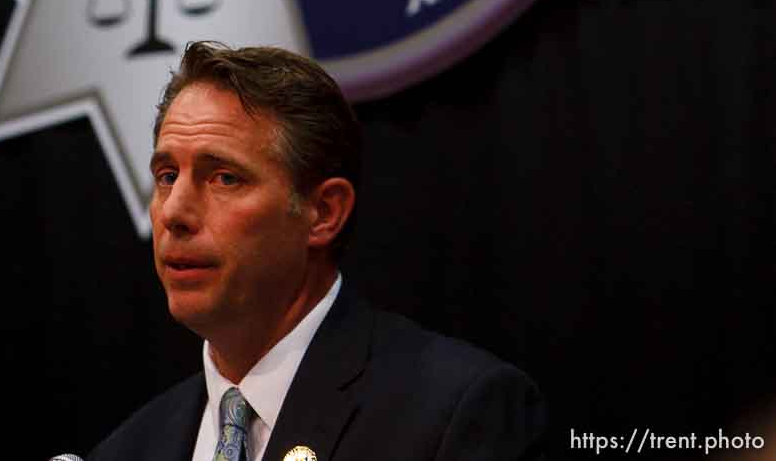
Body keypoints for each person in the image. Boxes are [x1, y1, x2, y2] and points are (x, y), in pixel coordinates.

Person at [89, 41, 547, 460]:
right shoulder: (128, 449)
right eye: (167, 176)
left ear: (323, 213)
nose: (174, 213)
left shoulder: (455, 413)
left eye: (224, 177)